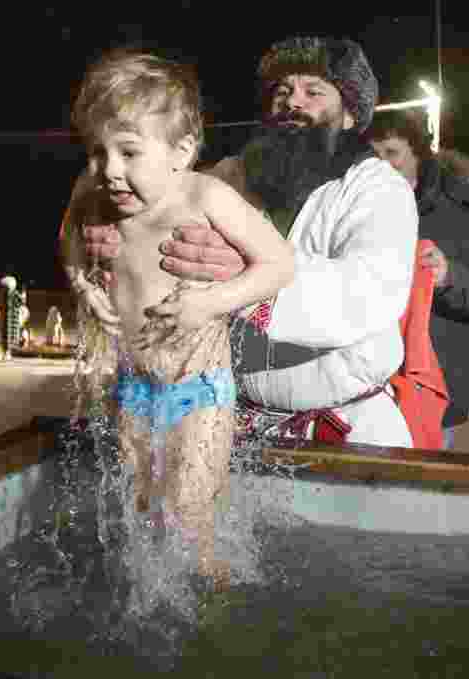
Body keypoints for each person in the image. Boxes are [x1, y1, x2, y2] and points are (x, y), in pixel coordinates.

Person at [71, 37, 418, 448]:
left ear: (350, 113)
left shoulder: (377, 188)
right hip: (236, 426)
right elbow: (142, 201)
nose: (293, 103)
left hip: (348, 429)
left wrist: (250, 278)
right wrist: (101, 230)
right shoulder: (230, 176)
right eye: (282, 91)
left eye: (314, 91)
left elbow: (369, 294)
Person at [63, 49, 296, 584]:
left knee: (189, 520)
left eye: (128, 152)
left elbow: (281, 264)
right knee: (140, 513)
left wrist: (209, 302)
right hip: (134, 388)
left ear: (181, 151)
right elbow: (68, 241)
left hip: (202, 390)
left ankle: (210, 607)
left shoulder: (205, 196)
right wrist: (83, 282)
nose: (109, 171)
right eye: (97, 152)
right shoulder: (91, 192)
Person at [366, 109, 469, 448]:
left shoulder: (464, 212)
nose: (381, 165)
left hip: (430, 397)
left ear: (419, 157)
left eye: (392, 153)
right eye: (373, 156)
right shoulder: (350, 203)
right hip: (360, 393)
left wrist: (450, 276)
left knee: (417, 499)